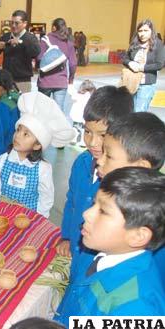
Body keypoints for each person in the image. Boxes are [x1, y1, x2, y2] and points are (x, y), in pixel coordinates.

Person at [55, 167, 165, 326]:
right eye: (94, 204)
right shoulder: (106, 254)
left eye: (103, 211)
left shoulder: (136, 310)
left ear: (138, 236)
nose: (86, 214)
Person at [56, 86, 133, 258]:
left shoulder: (125, 179)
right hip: (75, 251)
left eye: (103, 135)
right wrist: (67, 237)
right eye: (87, 132)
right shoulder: (81, 163)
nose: (92, 142)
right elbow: (72, 203)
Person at [96, 112, 165, 284]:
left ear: (141, 168)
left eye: (109, 156)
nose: (99, 160)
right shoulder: (105, 190)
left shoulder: (155, 222)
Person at [0, 92, 75, 217]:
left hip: (28, 219)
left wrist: (39, 218)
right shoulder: (3, 160)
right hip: (2, 214)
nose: (18, 136)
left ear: (37, 145)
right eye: (18, 130)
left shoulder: (42, 168)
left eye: (26, 134)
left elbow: (46, 197)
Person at [0, 10, 40, 93]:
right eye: (11, 23)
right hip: (7, 82)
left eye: (17, 23)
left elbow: (36, 52)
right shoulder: (6, 36)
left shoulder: (30, 38)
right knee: (8, 105)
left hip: (23, 81)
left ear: (25, 23)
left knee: (23, 105)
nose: (13, 25)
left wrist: (21, 42)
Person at [123, 19, 165, 112]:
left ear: (151, 31)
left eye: (146, 31)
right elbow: (125, 58)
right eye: (140, 31)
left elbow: (160, 64)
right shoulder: (135, 43)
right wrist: (130, 63)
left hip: (146, 85)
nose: (142, 33)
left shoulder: (158, 44)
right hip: (131, 82)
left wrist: (142, 67)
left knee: (139, 112)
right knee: (129, 110)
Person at [37, 18, 77, 112]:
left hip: (45, 81)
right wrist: (70, 79)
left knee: (42, 110)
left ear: (54, 27)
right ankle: (57, 126)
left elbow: (39, 58)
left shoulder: (45, 39)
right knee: (58, 111)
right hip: (61, 81)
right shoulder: (69, 43)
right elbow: (73, 64)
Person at [0, 69, 20, 150]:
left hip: (6, 146)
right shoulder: (16, 96)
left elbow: (1, 130)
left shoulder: (3, 105)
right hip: (16, 143)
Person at [68, 79, 96, 146]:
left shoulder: (77, 94)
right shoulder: (89, 96)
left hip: (75, 114)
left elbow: (72, 96)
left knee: (75, 127)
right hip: (83, 115)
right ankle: (82, 142)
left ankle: (74, 139)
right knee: (83, 129)